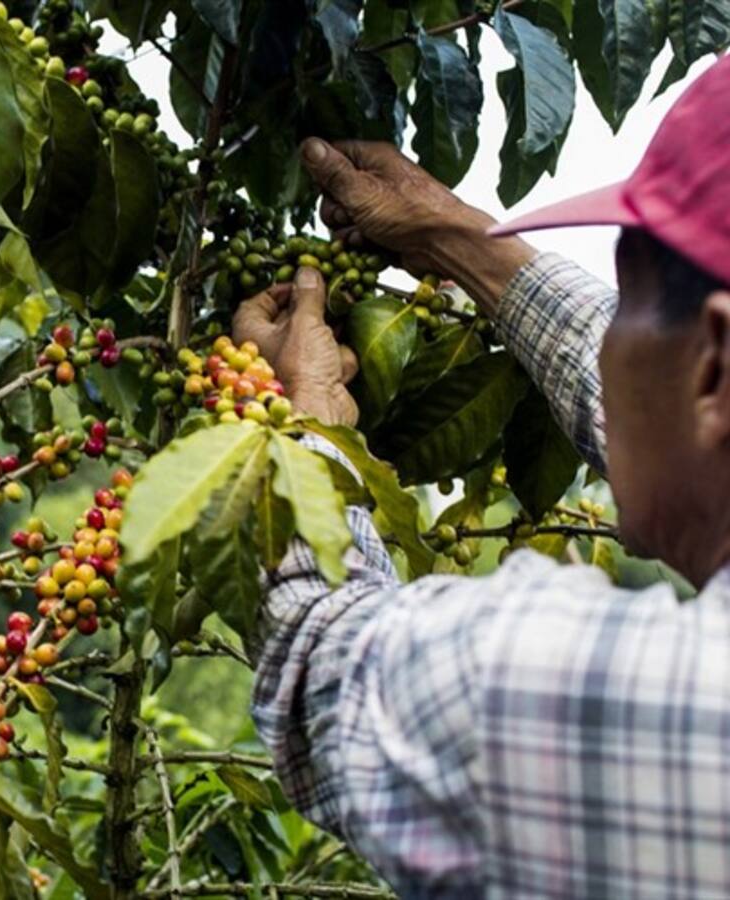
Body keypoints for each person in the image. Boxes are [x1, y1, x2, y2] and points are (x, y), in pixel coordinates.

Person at [234, 56, 730, 899]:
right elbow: (662, 403)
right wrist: (456, 238)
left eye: (628, 302)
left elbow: (325, 666)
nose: (611, 342)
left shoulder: (613, 700)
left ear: (713, 366)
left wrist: (302, 427)